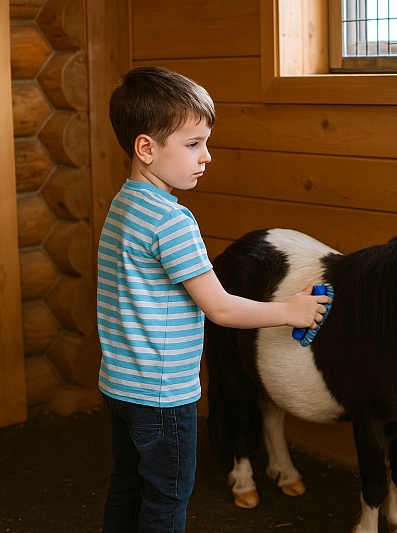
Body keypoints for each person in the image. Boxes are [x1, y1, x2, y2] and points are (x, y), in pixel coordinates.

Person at [96, 66, 330, 533]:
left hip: (120, 387)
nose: (206, 156)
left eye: (206, 142)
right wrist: (290, 311)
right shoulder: (172, 223)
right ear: (146, 148)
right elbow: (220, 306)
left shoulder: (124, 204)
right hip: (163, 396)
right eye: (192, 144)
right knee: (167, 498)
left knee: (128, 485)